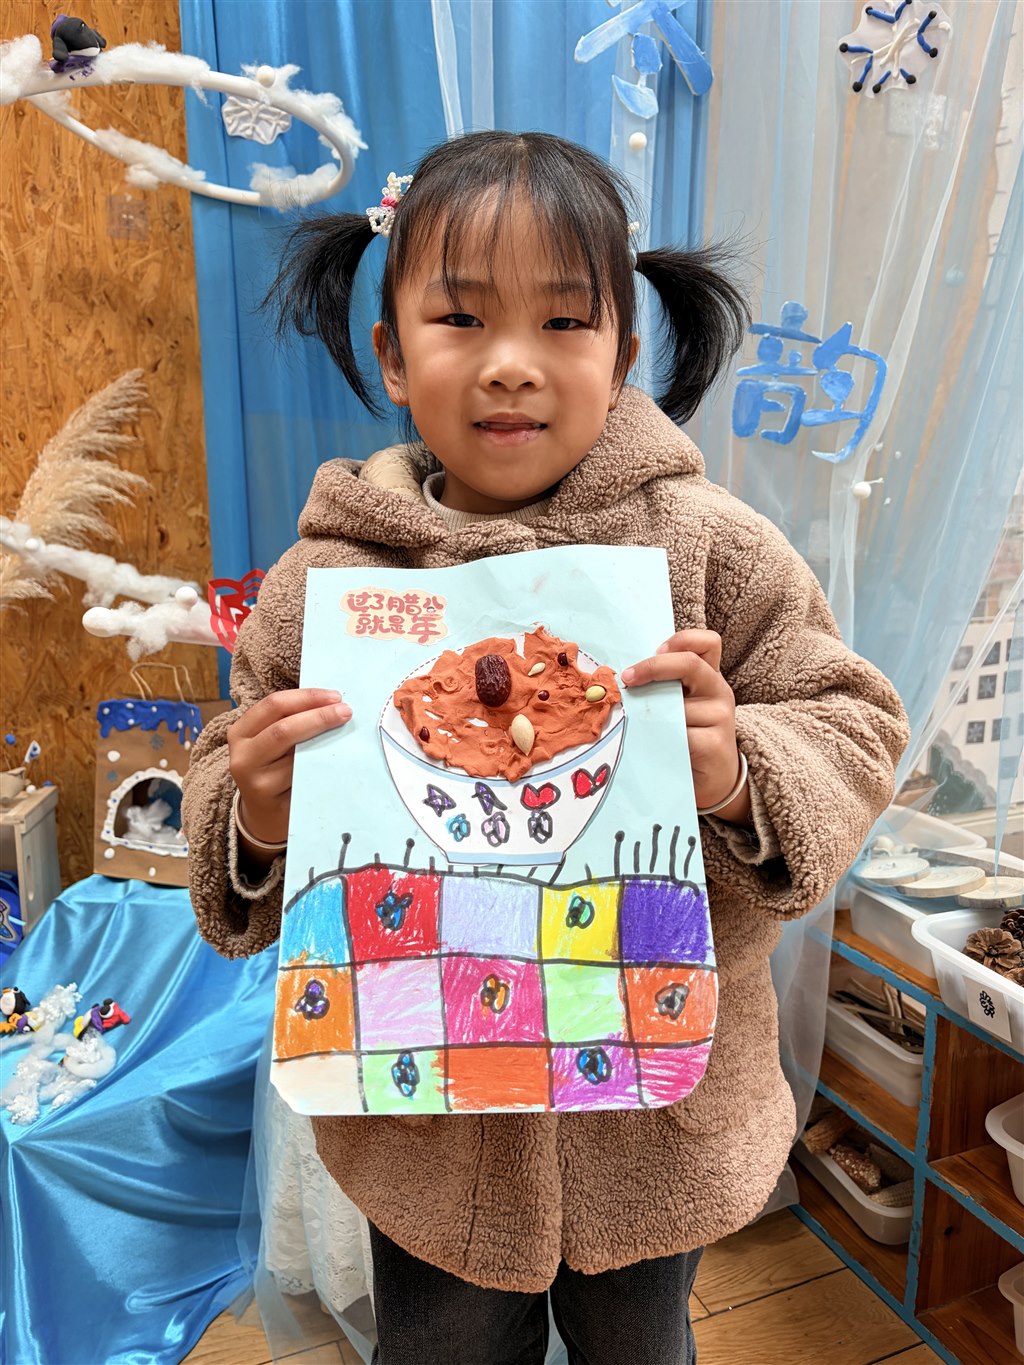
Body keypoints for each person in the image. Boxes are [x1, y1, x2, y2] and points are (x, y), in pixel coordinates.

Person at [182, 131, 908, 1365]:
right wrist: (253, 807)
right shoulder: (330, 585)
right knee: (441, 1348)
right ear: (393, 355)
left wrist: (740, 768)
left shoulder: (708, 546)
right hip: (428, 1122)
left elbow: (851, 715)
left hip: (654, 1112)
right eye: (461, 318)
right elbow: (228, 770)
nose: (511, 363)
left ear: (621, 357)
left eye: (563, 322)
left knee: (642, 1346)